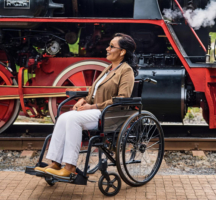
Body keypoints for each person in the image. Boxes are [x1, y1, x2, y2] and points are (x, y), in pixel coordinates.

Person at [34, 33, 138, 179]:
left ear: (122, 52)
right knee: (64, 117)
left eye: (111, 46)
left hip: (109, 114)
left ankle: (70, 167)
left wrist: (93, 106)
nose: (107, 49)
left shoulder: (126, 71)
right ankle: (55, 163)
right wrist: (84, 100)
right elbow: (95, 92)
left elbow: (122, 98)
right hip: (97, 111)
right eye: (108, 46)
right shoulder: (109, 69)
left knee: (73, 120)